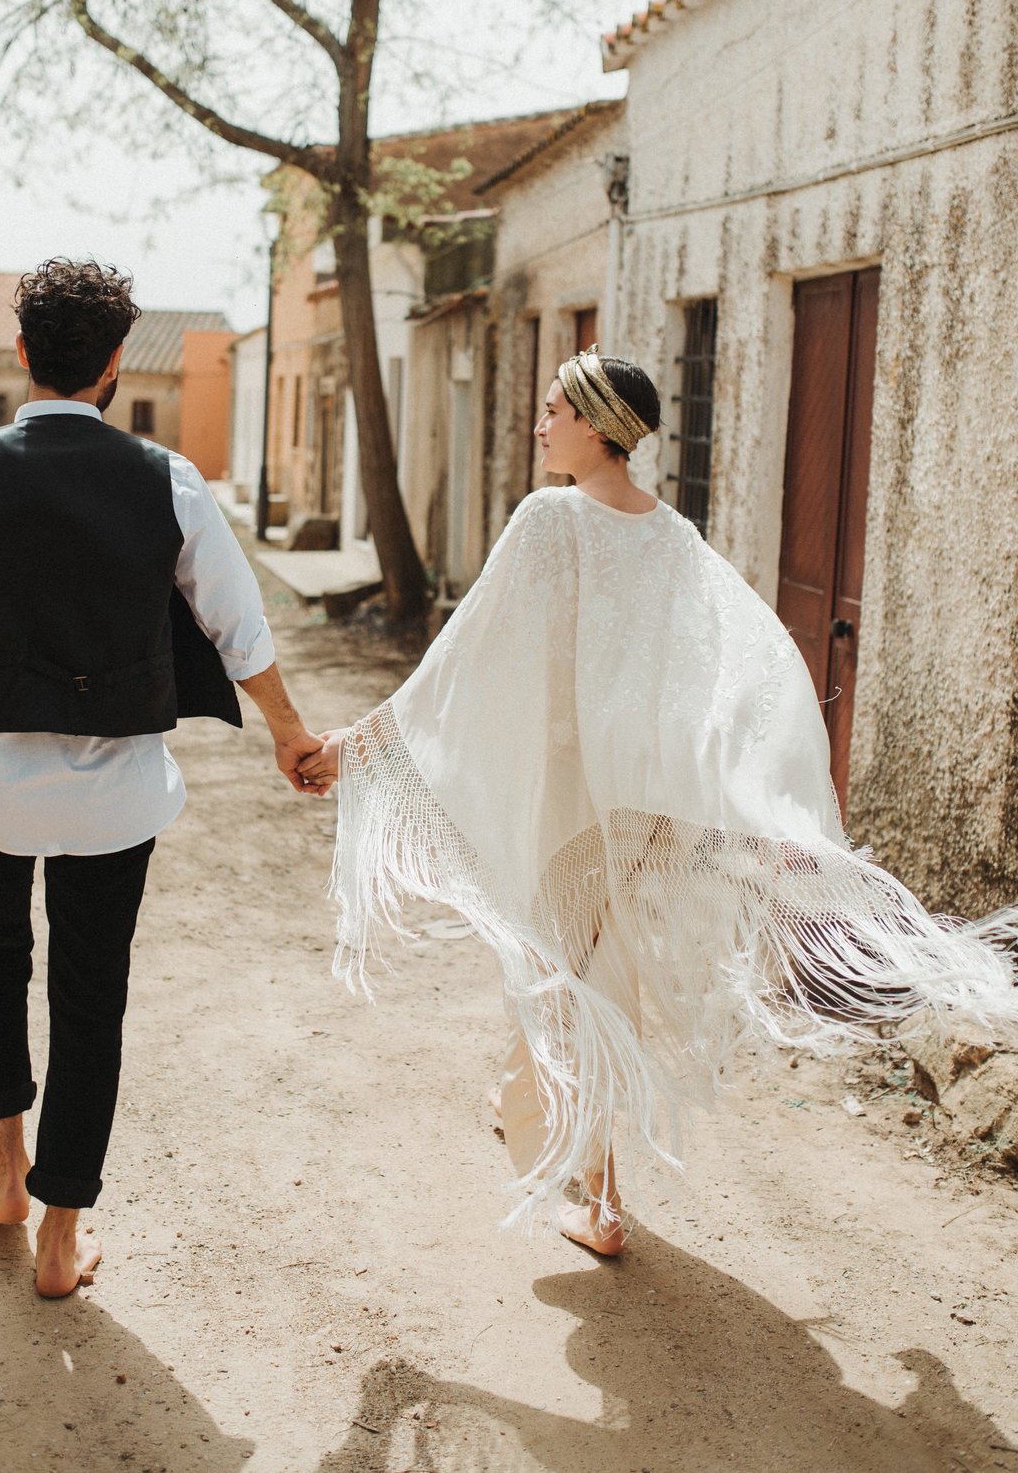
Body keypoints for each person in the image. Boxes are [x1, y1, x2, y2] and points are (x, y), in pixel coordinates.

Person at [300, 347, 1018, 1255]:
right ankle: (531, 1099)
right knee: (580, 956)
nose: (539, 422)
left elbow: (465, 655)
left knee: (575, 966)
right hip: (634, 795)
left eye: (555, 408)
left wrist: (356, 748)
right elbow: (745, 654)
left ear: (596, 426)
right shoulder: (670, 532)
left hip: (570, 789)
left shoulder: (549, 519)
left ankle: (600, 1201)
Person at [0, 258, 326, 1297]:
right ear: (114, 364)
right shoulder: (169, 481)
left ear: (22, 354)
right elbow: (239, 626)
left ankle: (8, 1178)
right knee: (91, 995)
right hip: (114, 795)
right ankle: (63, 1234)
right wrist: (287, 732)